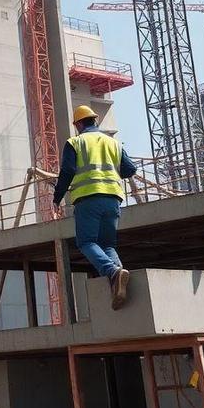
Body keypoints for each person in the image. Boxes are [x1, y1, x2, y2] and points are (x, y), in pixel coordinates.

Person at [53, 105, 136, 310]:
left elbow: (68, 171)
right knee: (107, 245)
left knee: (87, 242)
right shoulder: (112, 142)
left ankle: (113, 272)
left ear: (79, 124)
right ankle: (119, 277)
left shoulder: (76, 142)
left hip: (88, 199)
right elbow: (130, 169)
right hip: (113, 199)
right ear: (95, 121)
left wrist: (57, 197)